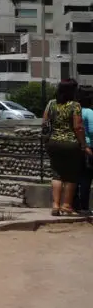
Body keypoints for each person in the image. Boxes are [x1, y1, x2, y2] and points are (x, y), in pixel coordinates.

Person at [43, 79, 90, 216]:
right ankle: (66, 205)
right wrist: (83, 144)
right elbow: (78, 127)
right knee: (71, 176)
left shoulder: (51, 103)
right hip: (71, 144)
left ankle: (55, 205)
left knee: (56, 174)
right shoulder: (75, 105)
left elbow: (45, 123)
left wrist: (47, 140)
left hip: (53, 142)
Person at [77, 88, 93, 214]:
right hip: (89, 147)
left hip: (77, 147)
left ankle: (78, 205)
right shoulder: (89, 112)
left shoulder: (76, 111)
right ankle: (85, 207)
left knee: (80, 178)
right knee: (87, 179)